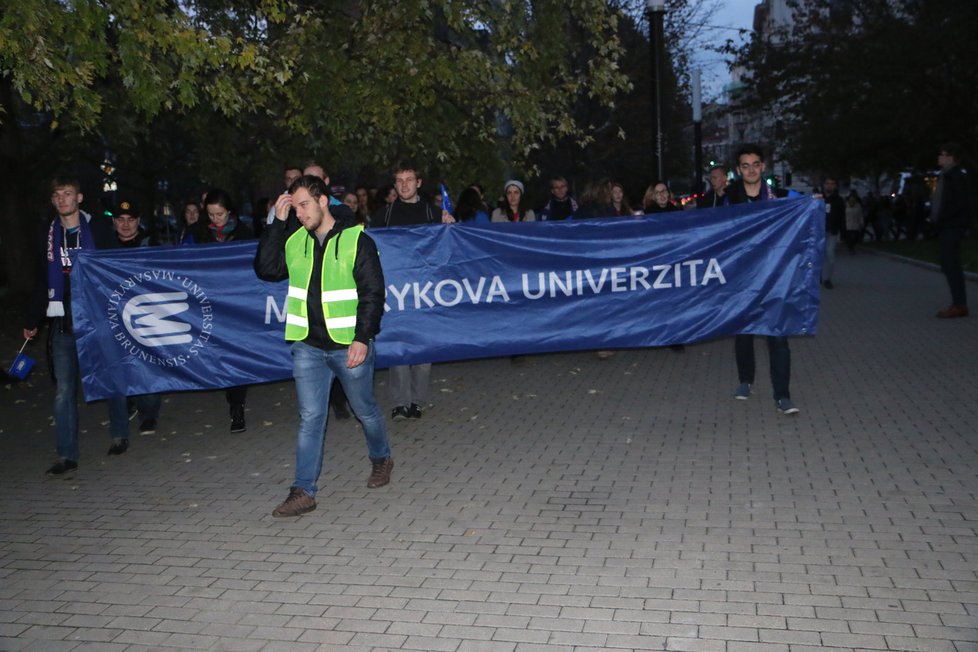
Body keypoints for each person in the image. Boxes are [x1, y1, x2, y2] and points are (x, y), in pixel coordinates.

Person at [255, 174, 393, 517]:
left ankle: (381, 458)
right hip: (307, 347)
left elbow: (373, 294)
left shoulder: (355, 240)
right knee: (310, 418)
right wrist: (276, 221)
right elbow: (266, 269)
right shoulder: (293, 240)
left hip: (349, 346)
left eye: (304, 205)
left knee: (366, 412)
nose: (300, 213)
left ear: (322, 201)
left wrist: (363, 338)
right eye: (294, 206)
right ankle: (303, 491)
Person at [24, 176, 131, 474]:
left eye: (68, 194)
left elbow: (115, 270)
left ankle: (120, 434)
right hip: (62, 320)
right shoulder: (46, 235)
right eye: (57, 195)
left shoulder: (98, 229)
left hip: (97, 317)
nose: (62, 200)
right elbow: (41, 279)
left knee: (110, 376)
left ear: (79, 198)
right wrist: (32, 319)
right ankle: (66, 455)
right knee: (64, 389)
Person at [373, 161, 454, 419]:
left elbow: (450, 249)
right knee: (398, 347)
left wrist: (451, 227)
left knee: (423, 348)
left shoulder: (433, 213)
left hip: (426, 292)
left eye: (409, 179)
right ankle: (399, 402)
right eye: (399, 180)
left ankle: (417, 400)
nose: (404, 185)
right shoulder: (383, 215)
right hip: (396, 293)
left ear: (419, 183)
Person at [725, 144, 799, 415]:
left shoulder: (779, 196)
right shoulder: (730, 199)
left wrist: (813, 201)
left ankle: (783, 395)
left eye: (756, 164)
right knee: (744, 332)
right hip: (743, 277)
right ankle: (746, 380)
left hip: (774, 277)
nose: (751, 169)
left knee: (777, 337)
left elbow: (803, 205)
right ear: (738, 170)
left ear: (763, 166)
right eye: (745, 165)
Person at [196, 189, 254, 430]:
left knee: (236, 355)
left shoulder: (244, 233)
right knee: (221, 354)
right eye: (210, 215)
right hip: (211, 304)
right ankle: (232, 395)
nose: (215, 220)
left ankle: (237, 406)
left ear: (229, 212)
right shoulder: (199, 234)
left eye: (219, 214)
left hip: (238, 304)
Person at [111, 199, 163, 434]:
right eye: (120, 220)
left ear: (138, 221)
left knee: (147, 363)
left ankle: (149, 413)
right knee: (121, 363)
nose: (125, 224)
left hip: (146, 313)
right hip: (114, 314)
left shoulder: (150, 243)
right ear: (114, 222)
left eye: (130, 220)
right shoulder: (104, 247)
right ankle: (129, 402)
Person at [930, 142, 973, 318]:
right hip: (947, 225)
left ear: (951, 157)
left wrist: (944, 218)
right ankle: (958, 303)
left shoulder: (955, 176)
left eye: (942, 154)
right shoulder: (946, 176)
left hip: (951, 226)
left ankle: (959, 304)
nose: (939, 157)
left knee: (951, 264)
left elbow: (959, 203)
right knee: (948, 264)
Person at [820, 177, 845, 289]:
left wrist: (843, 233)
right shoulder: (818, 198)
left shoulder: (839, 201)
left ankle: (827, 279)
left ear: (835, 186)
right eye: (827, 183)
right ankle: (818, 275)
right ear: (824, 185)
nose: (829, 186)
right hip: (818, 232)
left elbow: (842, 217)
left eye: (832, 184)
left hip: (832, 232)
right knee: (819, 255)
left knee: (830, 254)